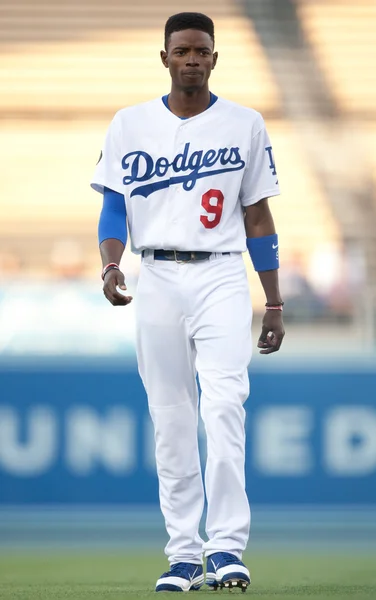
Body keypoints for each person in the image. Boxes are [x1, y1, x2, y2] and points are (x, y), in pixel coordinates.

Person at [91, 12, 285, 593]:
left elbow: (257, 214)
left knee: (224, 406)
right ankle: (182, 554)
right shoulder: (130, 124)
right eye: (182, 50)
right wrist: (109, 263)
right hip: (155, 274)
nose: (192, 59)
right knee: (170, 417)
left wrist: (273, 301)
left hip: (222, 274)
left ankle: (226, 548)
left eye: (202, 50)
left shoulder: (244, 123)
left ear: (215, 58)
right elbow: (113, 206)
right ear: (166, 58)